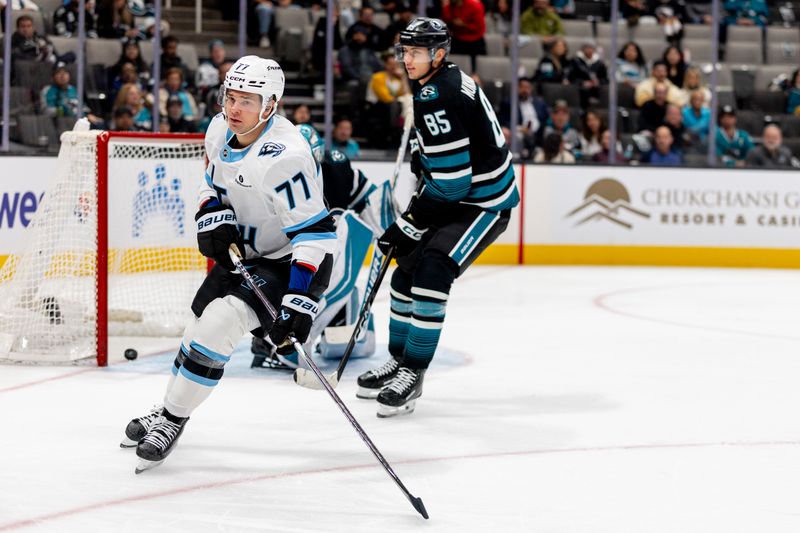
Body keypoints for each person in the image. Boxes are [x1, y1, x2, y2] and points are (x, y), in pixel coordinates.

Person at [121, 56, 338, 471]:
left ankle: (171, 419)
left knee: (221, 321)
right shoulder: (220, 129)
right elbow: (210, 182)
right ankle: (169, 408)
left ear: (271, 104)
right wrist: (209, 212)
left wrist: (297, 300)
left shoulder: (285, 156)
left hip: (291, 261)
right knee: (197, 323)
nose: (235, 109)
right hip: (246, 254)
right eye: (231, 97)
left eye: (247, 101)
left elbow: (316, 236)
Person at [357, 18, 519, 417]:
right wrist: (423, 155)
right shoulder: (441, 82)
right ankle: (399, 360)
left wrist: (406, 225)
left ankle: (413, 372)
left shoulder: (436, 93)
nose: (406, 59)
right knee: (404, 272)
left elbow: (452, 186)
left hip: (484, 204)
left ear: (439, 54)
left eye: (415, 52)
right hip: (461, 194)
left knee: (432, 270)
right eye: (404, 51)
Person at [250, 123, 383, 368]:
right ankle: (271, 338)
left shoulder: (337, 170)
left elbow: (373, 205)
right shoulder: (272, 178)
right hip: (288, 273)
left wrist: (389, 214)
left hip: (323, 274)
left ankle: (323, 327)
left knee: (357, 346)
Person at [499, 77, 549, 159]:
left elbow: (545, 119)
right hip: (519, 133)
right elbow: (503, 121)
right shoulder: (508, 103)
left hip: (538, 134)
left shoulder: (539, 103)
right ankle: (517, 158)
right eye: (522, 87)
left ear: (531, 88)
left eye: (527, 87)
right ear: (517, 88)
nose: (525, 90)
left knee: (549, 132)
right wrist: (519, 129)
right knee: (517, 136)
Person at [441, 0, 486, 71]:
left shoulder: (474, 5)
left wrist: (464, 25)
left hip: (475, 42)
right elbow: (446, 23)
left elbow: (480, 28)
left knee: (477, 70)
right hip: (457, 39)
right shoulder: (448, 7)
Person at [568, 41, 608, 108]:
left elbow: (605, 79)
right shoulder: (575, 61)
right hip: (580, 90)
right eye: (587, 47)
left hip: (596, 89)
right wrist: (582, 82)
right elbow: (571, 78)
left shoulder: (600, 63)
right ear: (582, 49)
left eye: (591, 48)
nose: (589, 50)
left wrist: (598, 82)